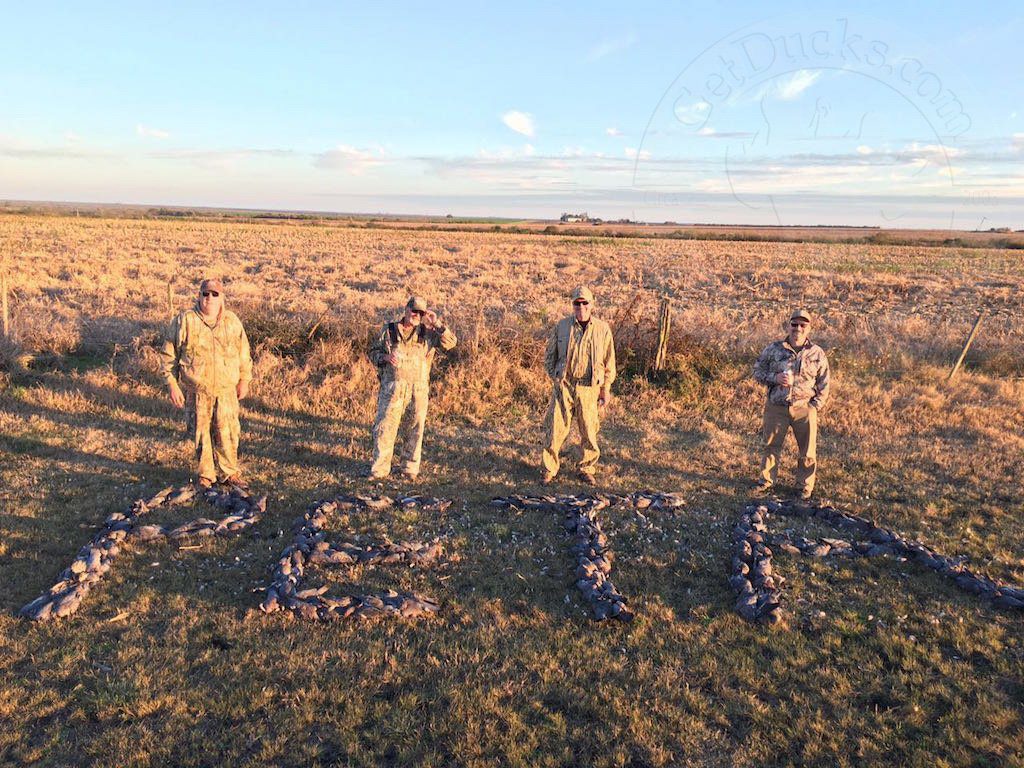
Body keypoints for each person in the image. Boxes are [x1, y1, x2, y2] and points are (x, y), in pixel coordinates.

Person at [159, 278, 253, 489]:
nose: (209, 298)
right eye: (205, 294)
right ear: (199, 296)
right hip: (197, 391)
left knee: (228, 433)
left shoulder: (232, 322)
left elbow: (244, 354)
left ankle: (229, 473)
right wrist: (172, 384)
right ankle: (206, 476)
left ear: (222, 298)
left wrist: (244, 380)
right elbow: (168, 356)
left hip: (226, 390)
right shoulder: (185, 321)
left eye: (214, 294)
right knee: (201, 434)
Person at [367, 296, 457, 480]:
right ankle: (380, 470)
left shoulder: (428, 333)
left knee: (415, 429)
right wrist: (385, 358)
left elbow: (450, 343)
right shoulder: (389, 330)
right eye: (414, 311)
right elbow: (373, 352)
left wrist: (437, 323)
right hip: (392, 389)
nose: (417, 315)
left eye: (421, 313)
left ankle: (409, 469)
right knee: (384, 428)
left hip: (418, 390)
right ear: (406, 309)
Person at [541, 285, 616, 485]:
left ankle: (586, 468)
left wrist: (605, 389)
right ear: (572, 305)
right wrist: (556, 379)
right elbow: (549, 356)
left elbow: (609, 363)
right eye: (577, 303)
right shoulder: (562, 326)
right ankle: (549, 469)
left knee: (589, 430)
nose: (581, 307)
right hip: (565, 385)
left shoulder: (602, 329)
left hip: (589, 388)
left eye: (585, 303)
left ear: (592, 304)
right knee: (555, 428)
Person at [752, 309, 831, 500]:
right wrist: (775, 378)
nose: (798, 328)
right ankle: (766, 481)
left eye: (803, 325)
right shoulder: (774, 349)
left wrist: (814, 406)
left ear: (809, 328)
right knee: (770, 446)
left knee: (807, 450)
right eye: (794, 324)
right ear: (788, 326)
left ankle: (804, 486)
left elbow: (824, 382)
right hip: (776, 407)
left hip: (804, 408)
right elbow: (757, 371)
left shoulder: (817, 353)